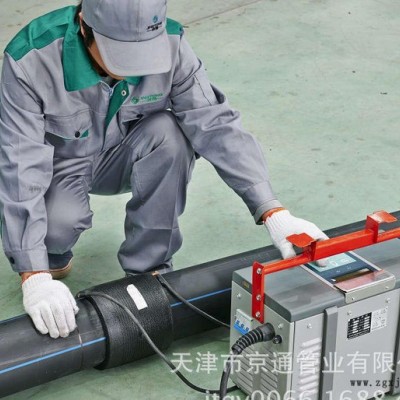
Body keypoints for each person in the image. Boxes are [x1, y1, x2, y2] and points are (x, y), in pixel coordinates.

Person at [0, 0, 328, 339]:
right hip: (60, 163)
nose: (132, 68)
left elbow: (216, 124)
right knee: (55, 228)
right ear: (85, 25)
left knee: (171, 135)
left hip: (127, 151)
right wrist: (34, 274)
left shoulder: (172, 43)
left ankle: (149, 271)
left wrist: (273, 211)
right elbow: (21, 165)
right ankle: (50, 256)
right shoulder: (32, 59)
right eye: (120, 54)